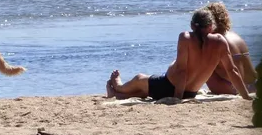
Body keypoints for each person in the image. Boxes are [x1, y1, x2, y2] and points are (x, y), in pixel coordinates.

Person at [106, 8, 253, 101]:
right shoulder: (220, 41)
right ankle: (118, 94)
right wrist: (245, 95)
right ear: (210, 26)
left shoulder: (186, 37)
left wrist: (177, 98)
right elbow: (232, 70)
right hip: (191, 92)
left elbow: (182, 71)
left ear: (191, 25)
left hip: (170, 86)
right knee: (144, 90)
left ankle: (118, 87)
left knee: (139, 79)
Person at [204, 1, 257, 95]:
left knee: (202, 64)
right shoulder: (236, 36)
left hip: (234, 89)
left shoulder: (216, 40)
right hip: (253, 85)